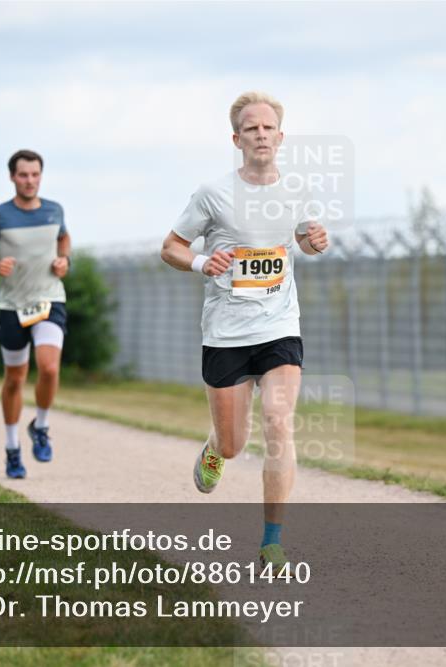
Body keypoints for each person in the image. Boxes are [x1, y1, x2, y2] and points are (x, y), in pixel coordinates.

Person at [160, 92, 329, 574]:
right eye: (251, 128)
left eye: (268, 127)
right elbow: (170, 246)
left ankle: (272, 542)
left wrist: (312, 243)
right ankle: (217, 446)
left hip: (279, 324)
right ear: (237, 139)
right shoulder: (212, 193)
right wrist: (199, 261)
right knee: (235, 442)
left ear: (281, 137)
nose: (260, 134)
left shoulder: (297, 189)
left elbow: (298, 238)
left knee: (279, 420)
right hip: (226, 332)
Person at [0, 149, 71, 479]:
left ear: (41, 176)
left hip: (50, 300)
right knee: (14, 379)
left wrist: (63, 260)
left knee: (50, 367)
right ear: (12, 177)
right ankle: (12, 448)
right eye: (23, 175)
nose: (30, 181)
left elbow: (64, 238)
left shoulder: (55, 210)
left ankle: (40, 425)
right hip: (12, 307)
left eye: (35, 174)